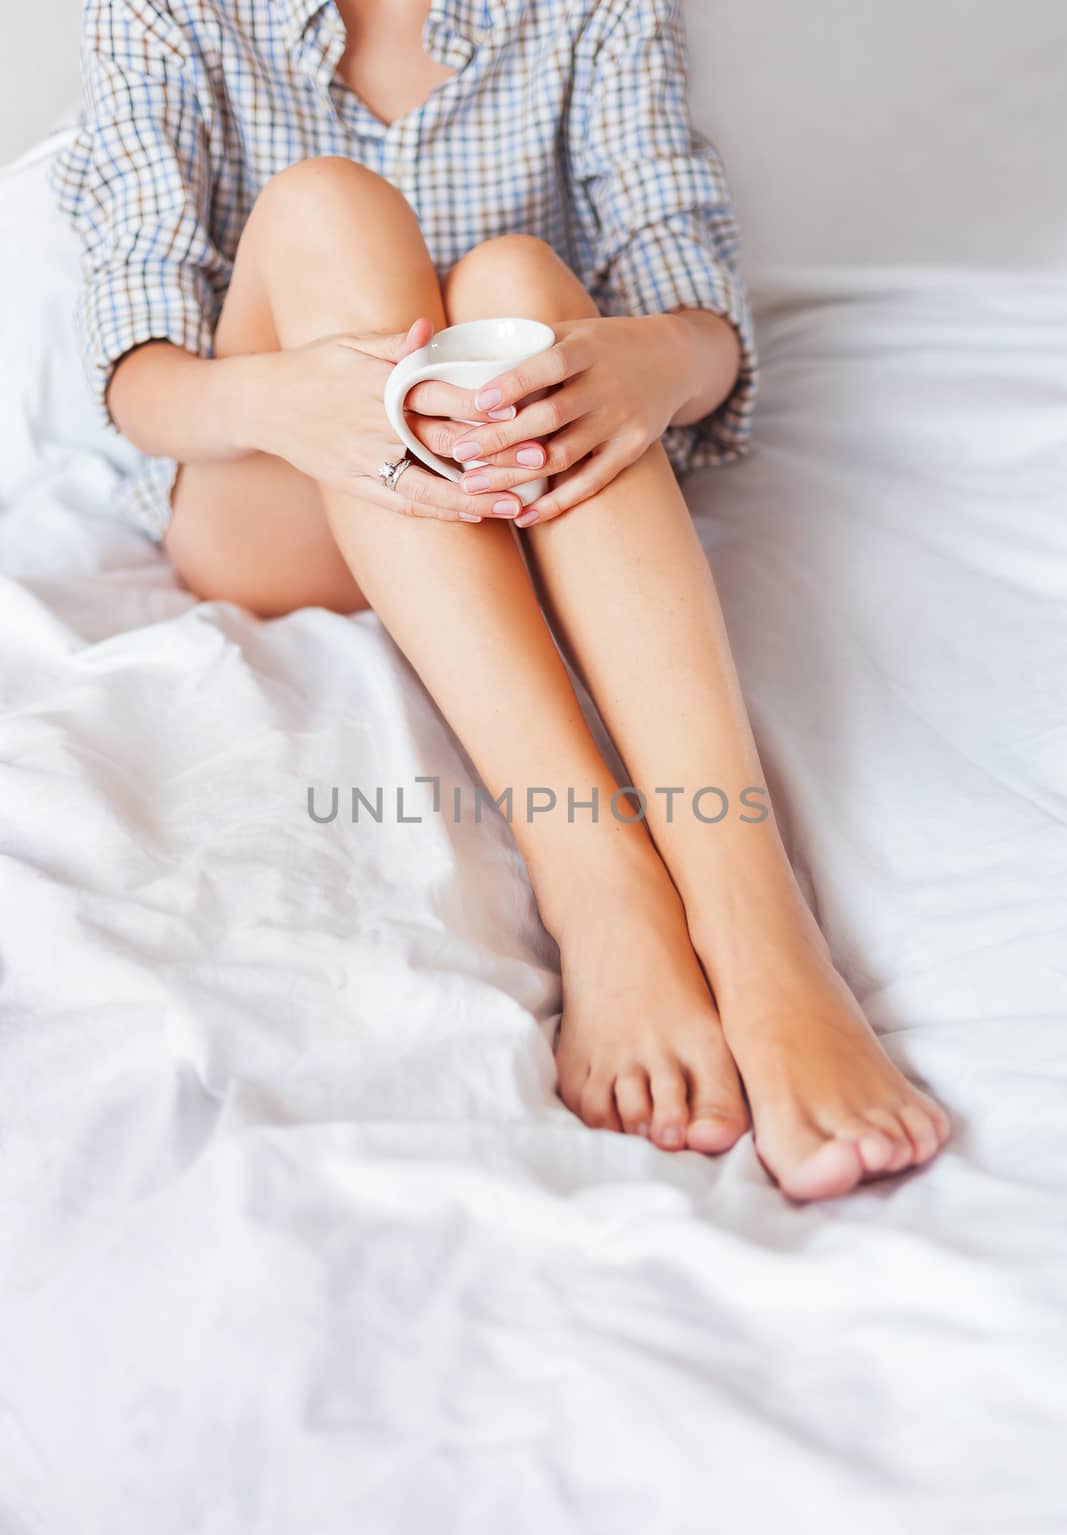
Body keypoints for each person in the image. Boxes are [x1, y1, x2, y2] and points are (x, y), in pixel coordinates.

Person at [54, 0, 951, 1200]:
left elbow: (689, 296)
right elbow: (139, 374)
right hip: (280, 508)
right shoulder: (173, 14)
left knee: (519, 278)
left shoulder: (591, 11)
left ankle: (755, 922)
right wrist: (287, 401)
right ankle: (597, 879)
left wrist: (660, 359)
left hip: (532, 486)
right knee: (327, 207)